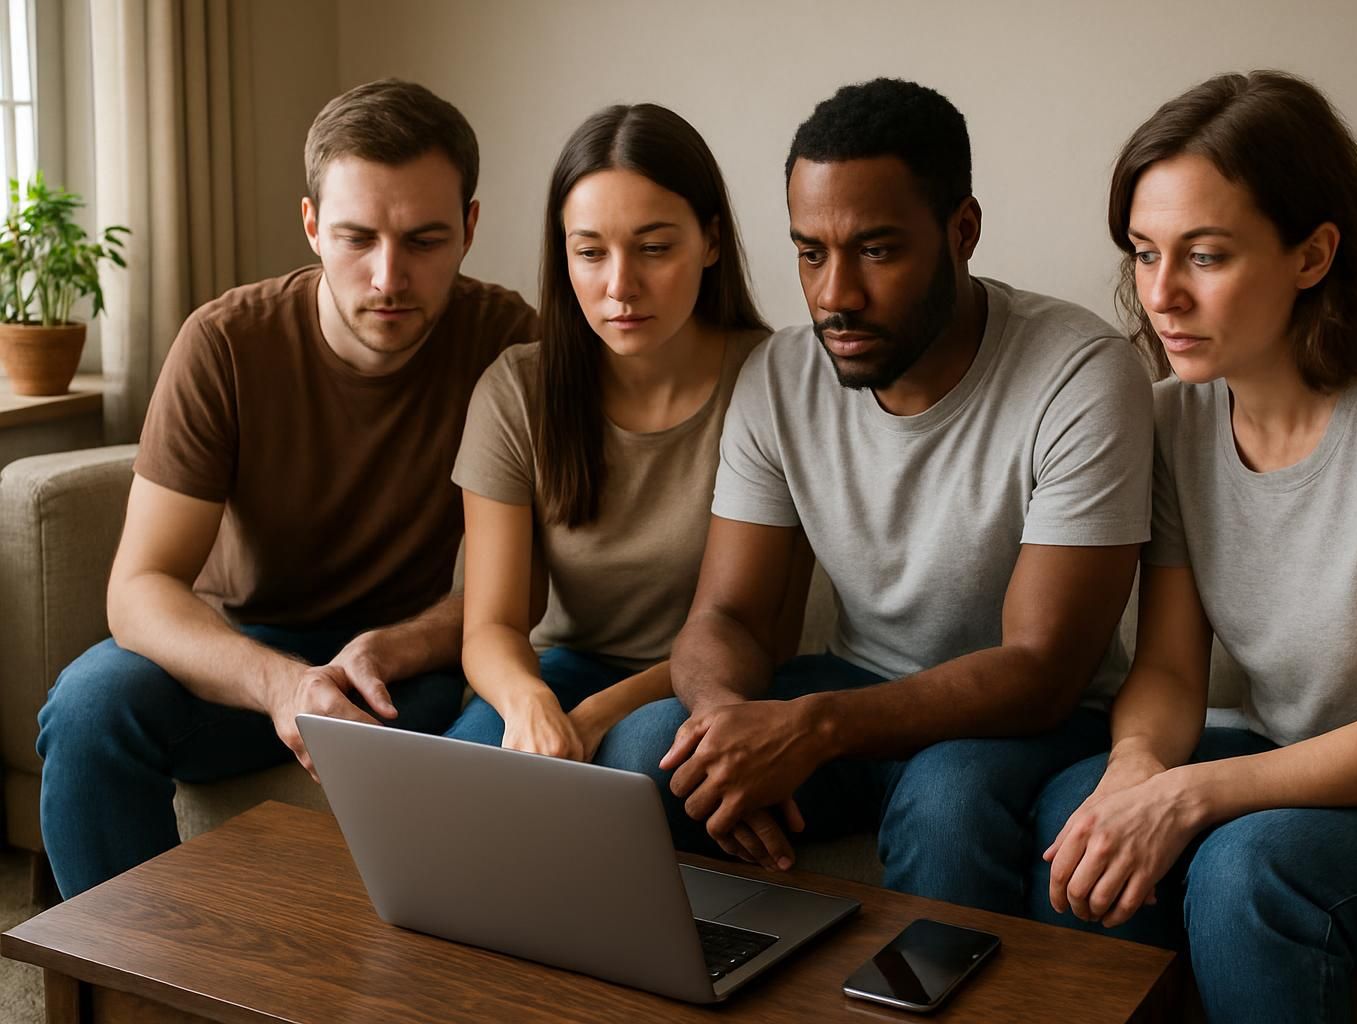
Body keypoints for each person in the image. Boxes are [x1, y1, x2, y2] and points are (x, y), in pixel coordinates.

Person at [1031, 70, 1357, 1022]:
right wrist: (1138, 768)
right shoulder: (1178, 419)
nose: (1162, 295)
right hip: (1295, 758)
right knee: (1077, 816)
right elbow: (1175, 674)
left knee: (1247, 870)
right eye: (1144, 254)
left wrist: (1188, 797)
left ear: (1313, 254)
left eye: (1206, 257)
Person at [598, 78, 1154, 917]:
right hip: (853, 679)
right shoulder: (780, 377)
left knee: (948, 800)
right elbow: (728, 619)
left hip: (1031, 716)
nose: (834, 295)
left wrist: (813, 728)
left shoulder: (1079, 373)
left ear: (962, 231)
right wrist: (724, 728)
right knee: (650, 749)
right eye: (811, 252)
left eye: (878, 251)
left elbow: (1041, 670)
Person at [35, 79, 537, 899]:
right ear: (310, 225)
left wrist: (392, 648)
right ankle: (132, 991)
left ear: (470, 228)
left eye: (424, 239)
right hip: (239, 651)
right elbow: (140, 588)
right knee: (90, 708)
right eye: (355, 237)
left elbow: (517, 589)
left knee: (471, 753)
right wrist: (281, 684)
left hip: (413, 663)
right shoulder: (226, 343)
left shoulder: (513, 344)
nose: (389, 276)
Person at [441, 103, 800, 757]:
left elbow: (767, 636)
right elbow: (491, 623)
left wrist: (596, 715)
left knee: (635, 761)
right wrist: (530, 704)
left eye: (654, 248)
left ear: (711, 241)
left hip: (711, 684)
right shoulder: (517, 389)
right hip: (565, 667)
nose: (620, 286)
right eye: (589, 252)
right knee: (470, 767)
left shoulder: (772, 382)